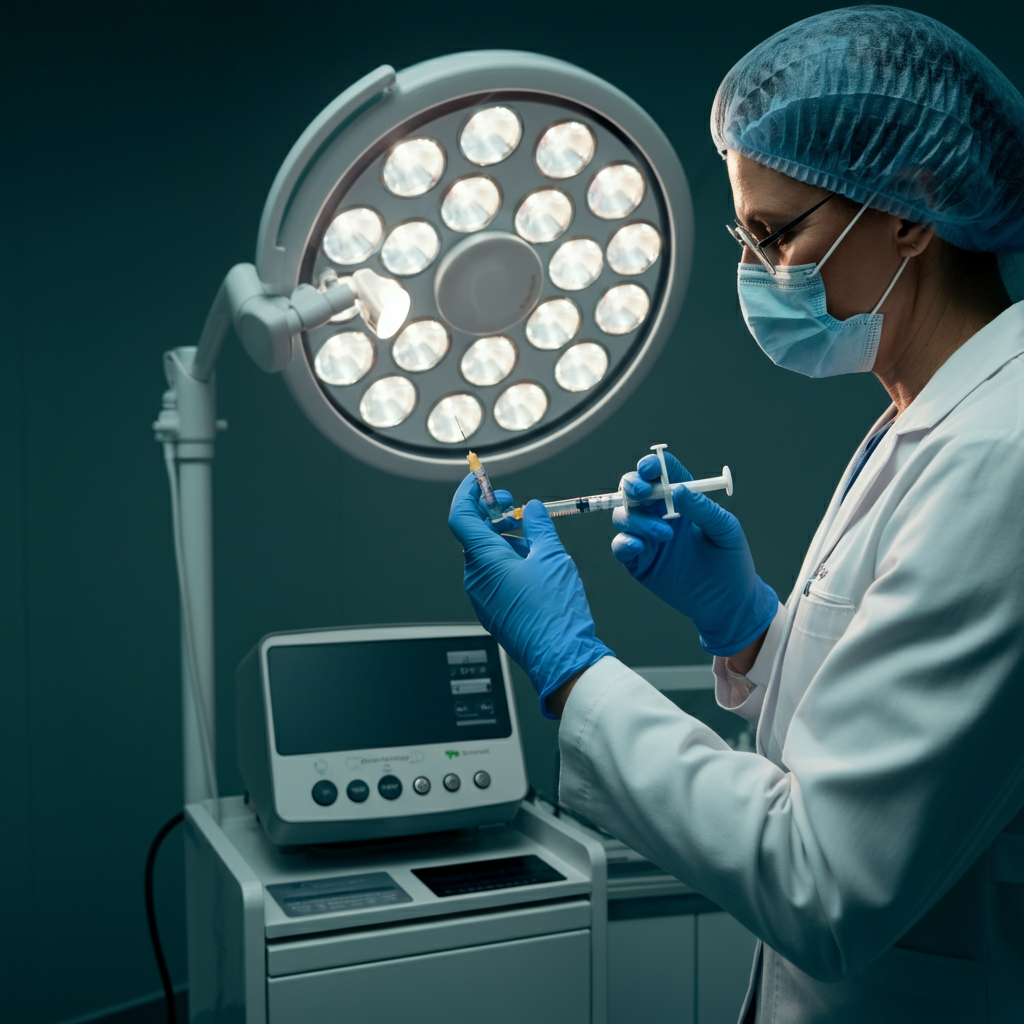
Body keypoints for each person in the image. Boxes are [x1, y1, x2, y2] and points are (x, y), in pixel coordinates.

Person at [448, 7, 1024, 1022]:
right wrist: (749, 628)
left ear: (914, 205)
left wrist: (572, 670)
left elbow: (823, 878)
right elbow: (893, 727)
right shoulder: (927, 415)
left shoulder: (998, 456)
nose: (759, 274)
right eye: (745, 236)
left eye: (779, 233)